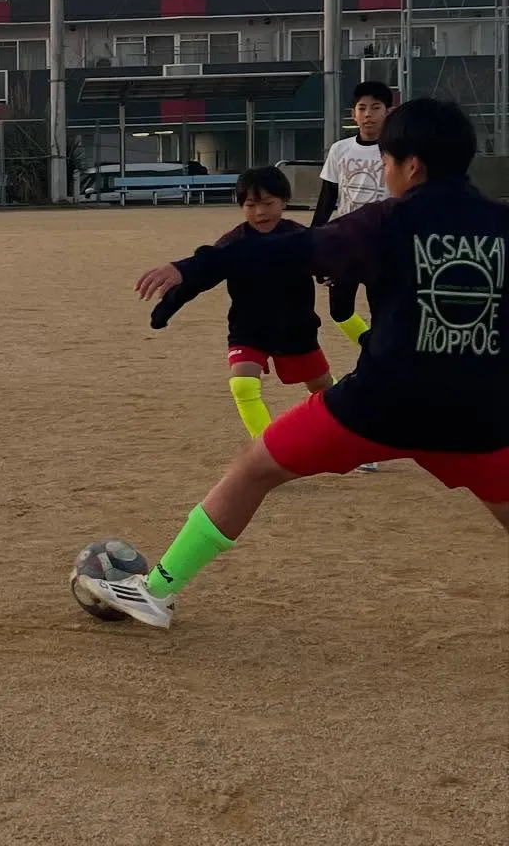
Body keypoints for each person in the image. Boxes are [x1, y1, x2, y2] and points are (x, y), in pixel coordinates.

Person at [78, 97, 509, 630]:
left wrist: (194, 269)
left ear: (411, 165)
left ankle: (157, 590)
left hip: (376, 407)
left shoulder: (386, 221)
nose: (385, 171)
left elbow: (280, 251)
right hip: (478, 417)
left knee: (253, 468)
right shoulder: (501, 223)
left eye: (387, 162)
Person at [151, 166, 332, 440]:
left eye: (268, 203)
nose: (260, 213)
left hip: (296, 329)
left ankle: (352, 429)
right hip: (248, 329)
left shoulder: (301, 238)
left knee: (323, 387)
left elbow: (334, 262)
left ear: (285, 200)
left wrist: (336, 274)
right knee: (243, 385)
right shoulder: (233, 243)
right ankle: (269, 447)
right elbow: (202, 275)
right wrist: (168, 306)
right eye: (251, 205)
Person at [314, 80, 394, 346]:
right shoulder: (340, 149)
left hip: (384, 242)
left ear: (388, 111)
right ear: (354, 114)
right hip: (347, 239)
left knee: (382, 309)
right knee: (340, 310)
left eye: (376, 107)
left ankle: (382, 357)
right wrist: (316, 243)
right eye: (362, 108)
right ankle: (370, 347)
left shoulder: (397, 150)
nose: (368, 114)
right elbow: (327, 198)